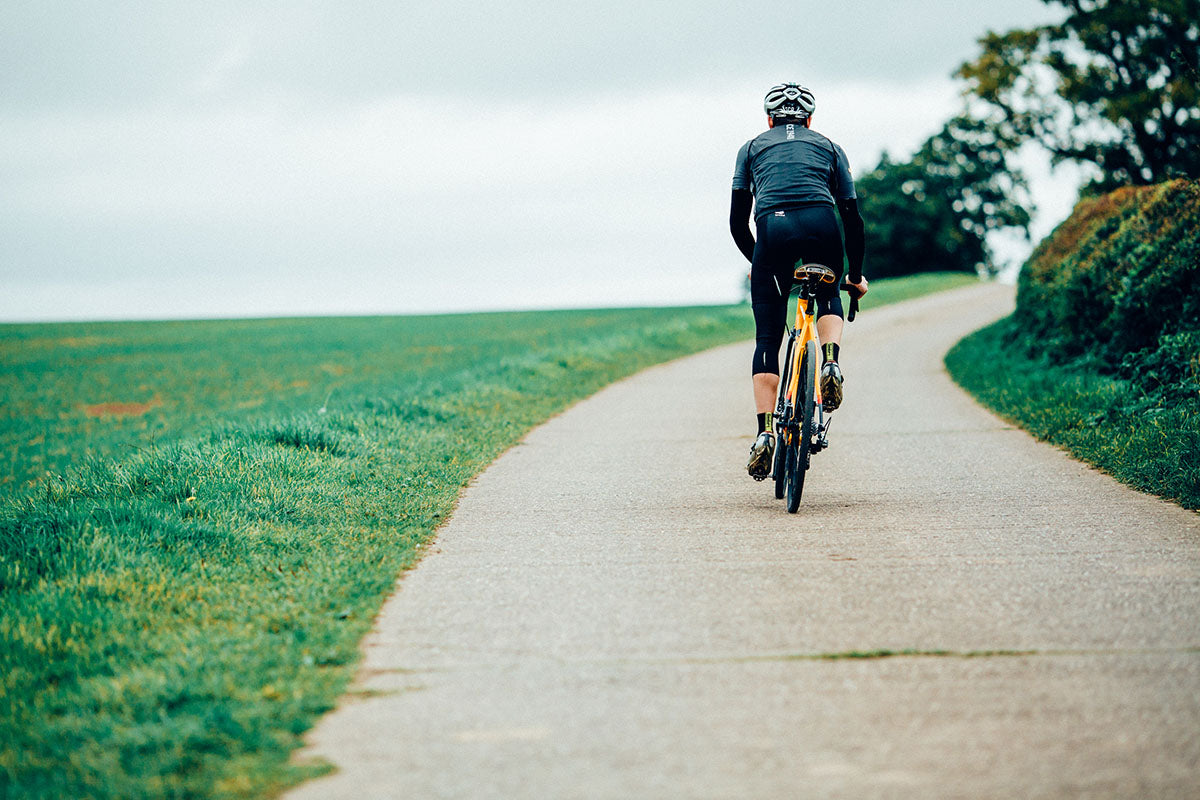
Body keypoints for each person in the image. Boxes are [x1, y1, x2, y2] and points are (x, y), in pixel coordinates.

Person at [730, 82, 868, 480]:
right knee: (828, 293)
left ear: (769, 119)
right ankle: (830, 361)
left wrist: (760, 262)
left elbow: (738, 222)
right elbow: (853, 219)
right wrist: (854, 276)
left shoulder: (752, 147)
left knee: (768, 340)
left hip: (773, 229)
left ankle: (765, 434)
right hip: (822, 225)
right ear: (809, 118)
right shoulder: (829, 146)